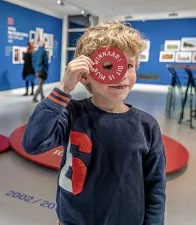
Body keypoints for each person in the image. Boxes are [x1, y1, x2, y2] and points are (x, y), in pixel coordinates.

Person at [22, 20, 166, 225]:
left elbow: (155, 184)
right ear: (86, 75)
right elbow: (33, 143)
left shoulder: (147, 126)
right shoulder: (71, 113)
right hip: (74, 219)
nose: (122, 75)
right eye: (109, 66)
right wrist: (63, 88)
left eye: (130, 65)